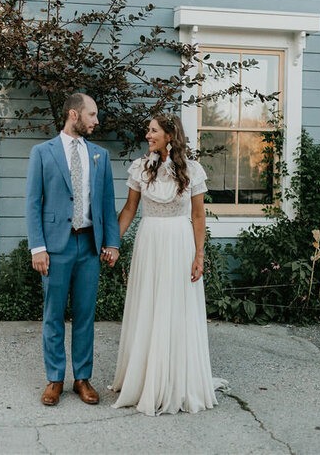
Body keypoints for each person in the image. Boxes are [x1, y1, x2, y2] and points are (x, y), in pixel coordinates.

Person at [110, 113, 225, 416]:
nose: (148, 135)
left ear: (169, 136)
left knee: (175, 307)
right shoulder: (140, 168)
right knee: (149, 304)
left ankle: (176, 379)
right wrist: (113, 241)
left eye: (153, 131)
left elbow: (198, 216)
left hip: (178, 242)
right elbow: (129, 209)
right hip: (149, 242)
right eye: (148, 131)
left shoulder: (193, 171)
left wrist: (199, 255)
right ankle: (145, 377)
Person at [25, 92, 121, 406]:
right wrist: (38, 247)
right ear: (74, 115)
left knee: (85, 315)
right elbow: (32, 203)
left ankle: (82, 378)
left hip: (89, 245)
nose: (97, 121)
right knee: (53, 315)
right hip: (55, 247)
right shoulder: (42, 153)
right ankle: (55, 379)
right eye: (92, 115)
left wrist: (112, 242)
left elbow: (107, 202)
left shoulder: (100, 155)